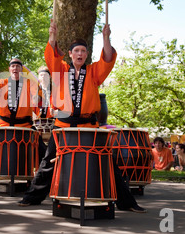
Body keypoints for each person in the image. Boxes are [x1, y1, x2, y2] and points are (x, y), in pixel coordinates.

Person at [18, 20, 146, 213]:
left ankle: (127, 202)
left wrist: (106, 38)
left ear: (87, 55)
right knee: (48, 162)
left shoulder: (94, 72)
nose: (79, 54)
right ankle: (32, 197)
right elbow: (50, 56)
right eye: (76, 51)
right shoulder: (60, 70)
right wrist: (52, 36)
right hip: (62, 124)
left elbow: (108, 58)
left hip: (89, 125)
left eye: (83, 51)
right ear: (70, 54)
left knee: (108, 161)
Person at [0, 58, 47, 163]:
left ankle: (38, 175)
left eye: (18, 66)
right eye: (13, 66)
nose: (15, 68)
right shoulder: (2, 82)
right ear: (9, 69)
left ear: (21, 69)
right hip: (3, 124)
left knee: (41, 148)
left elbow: (37, 97)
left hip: (24, 125)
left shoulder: (30, 83)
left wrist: (36, 98)